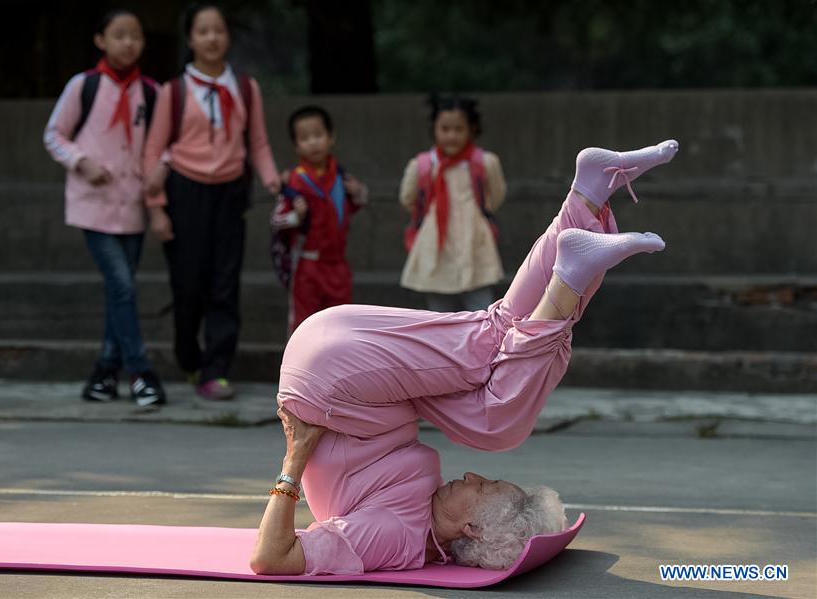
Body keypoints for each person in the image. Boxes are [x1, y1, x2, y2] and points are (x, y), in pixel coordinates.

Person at [251, 140, 680, 575]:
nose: (474, 475)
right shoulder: (425, 511)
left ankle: (575, 255)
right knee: (495, 359)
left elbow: (271, 559)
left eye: (486, 485)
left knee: (497, 414)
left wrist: (293, 464)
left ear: (473, 528)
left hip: (333, 379)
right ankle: (584, 205)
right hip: (341, 356)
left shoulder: (397, 536)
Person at [143, 3, 281, 400]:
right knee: (188, 286)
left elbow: (257, 143)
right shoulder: (174, 92)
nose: (211, 38)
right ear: (190, 39)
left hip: (229, 193)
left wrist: (275, 183)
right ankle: (189, 358)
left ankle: (216, 371)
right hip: (185, 191)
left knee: (224, 285)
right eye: (202, 31)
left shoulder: (245, 88)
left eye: (218, 30)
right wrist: (156, 209)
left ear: (228, 36)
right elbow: (153, 151)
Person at [43, 9, 166, 407]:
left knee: (120, 292)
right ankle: (142, 374)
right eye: (119, 35)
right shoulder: (84, 86)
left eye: (135, 35)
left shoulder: (151, 91)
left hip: (132, 205)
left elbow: (161, 145)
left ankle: (102, 375)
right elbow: (54, 134)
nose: (128, 43)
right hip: (92, 204)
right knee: (123, 286)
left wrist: (158, 174)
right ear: (100, 40)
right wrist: (82, 161)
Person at [400, 95, 507, 312]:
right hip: (436, 248)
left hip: (474, 246)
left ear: (472, 129)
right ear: (435, 129)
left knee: (481, 312)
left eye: (458, 129)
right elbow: (408, 198)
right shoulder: (422, 165)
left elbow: (495, 197)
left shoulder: (485, 163)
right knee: (439, 315)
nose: (451, 135)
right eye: (445, 129)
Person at [270, 106, 368, 335]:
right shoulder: (294, 181)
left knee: (341, 328)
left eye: (318, 135)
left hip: (338, 265)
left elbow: (356, 205)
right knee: (305, 328)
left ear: (331, 137)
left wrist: (359, 192)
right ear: (295, 145)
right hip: (307, 265)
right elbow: (276, 220)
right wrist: (296, 216)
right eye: (304, 138)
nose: (313, 142)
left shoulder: (341, 177)